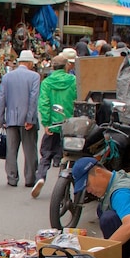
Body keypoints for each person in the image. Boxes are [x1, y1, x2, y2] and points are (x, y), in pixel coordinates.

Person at [33, 53, 77, 198]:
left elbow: (44, 104)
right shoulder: (73, 81)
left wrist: (46, 122)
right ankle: (62, 185)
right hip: (69, 124)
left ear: (52, 67)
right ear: (66, 66)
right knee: (68, 156)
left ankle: (41, 177)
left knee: (46, 153)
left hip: (53, 124)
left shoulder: (46, 83)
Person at [0, 49, 41, 188]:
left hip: (10, 119)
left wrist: (1, 118)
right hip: (27, 120)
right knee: (30, 151)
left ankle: (12, 178)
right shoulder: (34, 77)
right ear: (29, 63)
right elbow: (33, 100)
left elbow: (1, 98)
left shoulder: (7, 77)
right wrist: (30, 119)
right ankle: (30, 179)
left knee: (11, 150)